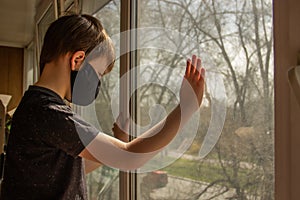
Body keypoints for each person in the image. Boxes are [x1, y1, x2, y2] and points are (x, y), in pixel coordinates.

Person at [0, 14, 205, 200]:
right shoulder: (49, 113)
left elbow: (73, 168)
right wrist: (186, 108)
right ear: (78, 60)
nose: (97, 83)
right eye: (98, 73)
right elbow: (129, 157)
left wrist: (114, 141)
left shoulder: (33, 106)